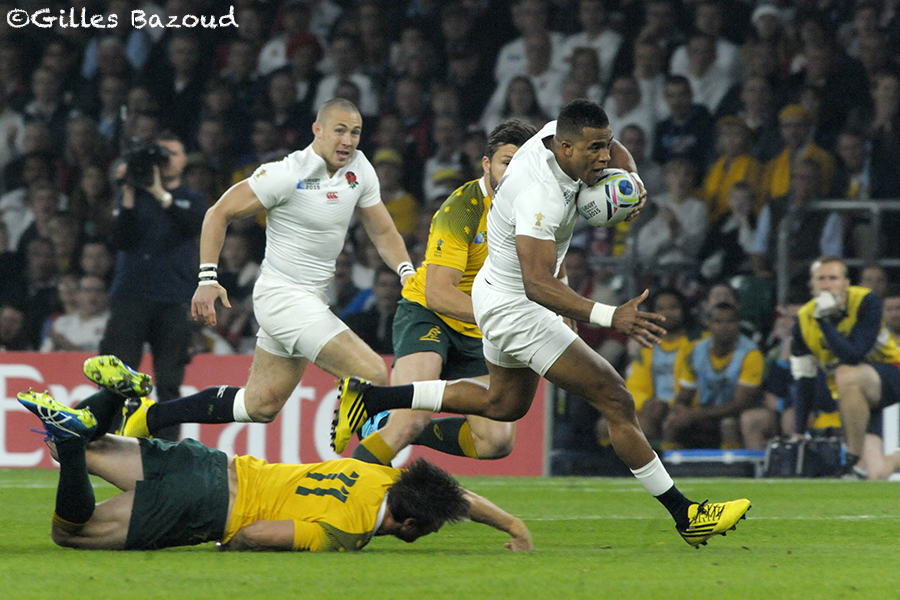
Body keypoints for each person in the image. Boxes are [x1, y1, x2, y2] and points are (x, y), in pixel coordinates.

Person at [332, 100, 751, 547]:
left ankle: (372, 398)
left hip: (495, 294)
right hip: (515, 308)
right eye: (594, 150)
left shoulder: (558, 136)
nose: (604, 157)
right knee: (615, 398)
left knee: (502, 407)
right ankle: (687, 514)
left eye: (605, 146)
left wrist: (632, 181)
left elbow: (614, 152)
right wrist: (611, 316)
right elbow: (536, 283)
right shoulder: (537, 196)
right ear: (565, 149)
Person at [113, 99, 415, 439]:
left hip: (311, 300)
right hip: (283, 298)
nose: (347, 141)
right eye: (339, 131)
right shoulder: (286, 174)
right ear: (317, 130)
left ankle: (151, 416)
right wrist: (208, 278)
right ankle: (366, 457)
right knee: (372, 372)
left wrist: (407, 272)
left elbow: (382, 231)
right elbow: (218, 212)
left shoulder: (359, 168)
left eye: (355, 133)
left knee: (260, 405)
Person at [15, 389, 532, 552]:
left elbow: (457, 496)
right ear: (410, 523)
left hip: (213, 463)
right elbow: (258, 534)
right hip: (207, 507)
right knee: (70, 533)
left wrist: (513, 525)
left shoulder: (375, 470)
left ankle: (112, 399)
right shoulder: (348, 532)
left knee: (72, 449)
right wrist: (227, 547)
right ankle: (74, 443)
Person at [352, 120, 536, 467]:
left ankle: (385, 421)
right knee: (411, 417)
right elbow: (438, 294)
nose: (515, 173)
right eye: (507, 162)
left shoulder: (536, 210)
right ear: (487, 164)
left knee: (496, 441)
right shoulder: (462, 208)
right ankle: (343, 492)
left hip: (479, 330)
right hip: (429, 314)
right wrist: (505, 318)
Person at [99, 131, 206, 441]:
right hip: (130, 295)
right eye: (162, 154)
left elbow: (192, 226)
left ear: (184, 161)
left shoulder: (193, 199)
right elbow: (120, 239)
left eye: (173, 154)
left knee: (170, 381)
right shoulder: (133, 196)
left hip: (173, 298)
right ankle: (111, 442)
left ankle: (167, 447)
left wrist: (160, 193)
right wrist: (128, 191)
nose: (167, 160)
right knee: (118, 376)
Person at [791, 255, 900, 479]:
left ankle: (852, 459)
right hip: (854, 397)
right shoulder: (802, 320)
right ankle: (883, 461)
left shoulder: (867, 301)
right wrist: (799, 431)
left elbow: (853, 355)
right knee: (876, 473)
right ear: (812, 284)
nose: (826, 284)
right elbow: (805, 378)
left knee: (845, 373)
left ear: (846, 283)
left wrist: (824, 321)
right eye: (820, 279)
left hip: (891, 374)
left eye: (833, 278)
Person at [662, 302, 769, 450]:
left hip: (738, 416)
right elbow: (685, 395)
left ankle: (732, 464)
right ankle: (667, 463)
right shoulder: (696, 351)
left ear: (738, 325)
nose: (724, 326)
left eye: (730, 321)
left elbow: (740, 404)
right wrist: (679, 410)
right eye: (718, 322)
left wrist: (695, 414)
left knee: (728, 424)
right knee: (672, 422)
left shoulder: (751, 354)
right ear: (709, 325)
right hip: (706, 414)